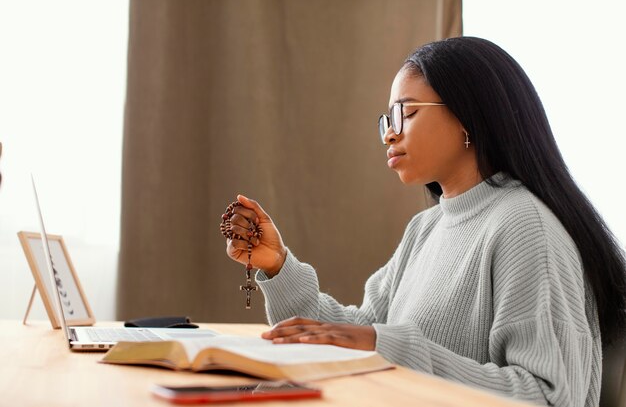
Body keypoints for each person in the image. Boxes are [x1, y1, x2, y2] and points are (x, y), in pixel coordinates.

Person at [222, 37, 626, 406]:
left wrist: (392, 348)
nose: (389, 135)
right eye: (387, 120)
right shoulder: (425, 229)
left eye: (406, 113)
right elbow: (359, 332)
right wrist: (277, 265)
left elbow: (549, 397)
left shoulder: (525, 228)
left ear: (469, 117)